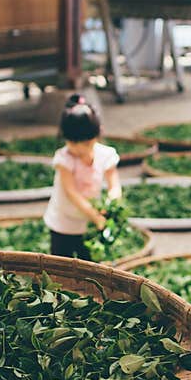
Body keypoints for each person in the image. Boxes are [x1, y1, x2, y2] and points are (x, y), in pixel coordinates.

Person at [43, 94, 121, 260]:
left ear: (97, 136)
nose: (78, 149)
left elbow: (114, 185)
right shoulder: (64, 159)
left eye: (86, 144)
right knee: (61, 266)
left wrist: (111, 203)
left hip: (89, 224)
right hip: (63, 223)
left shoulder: (106, 155)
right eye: (72, 143)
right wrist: (95, 215)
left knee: (90, 265)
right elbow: (71, 192)